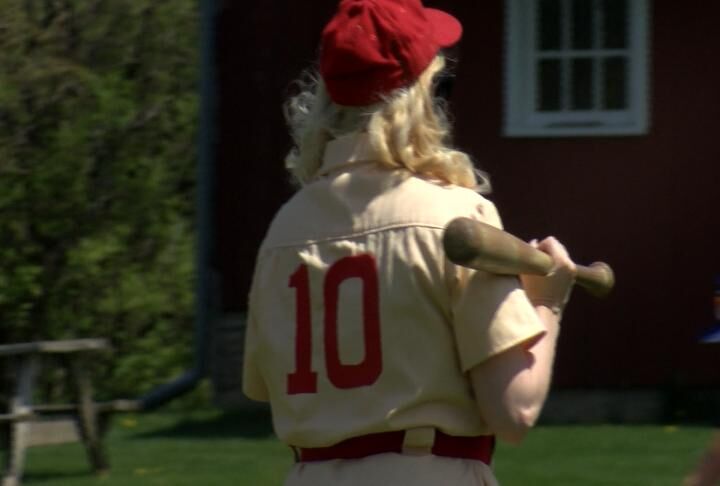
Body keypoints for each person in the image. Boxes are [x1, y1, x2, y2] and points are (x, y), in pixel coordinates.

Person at [242, 0, 576, 484]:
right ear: (421, 97)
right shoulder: (457, 216)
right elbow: (514, 409)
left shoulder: (284, 229)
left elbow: (262, 386)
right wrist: (548, 302)